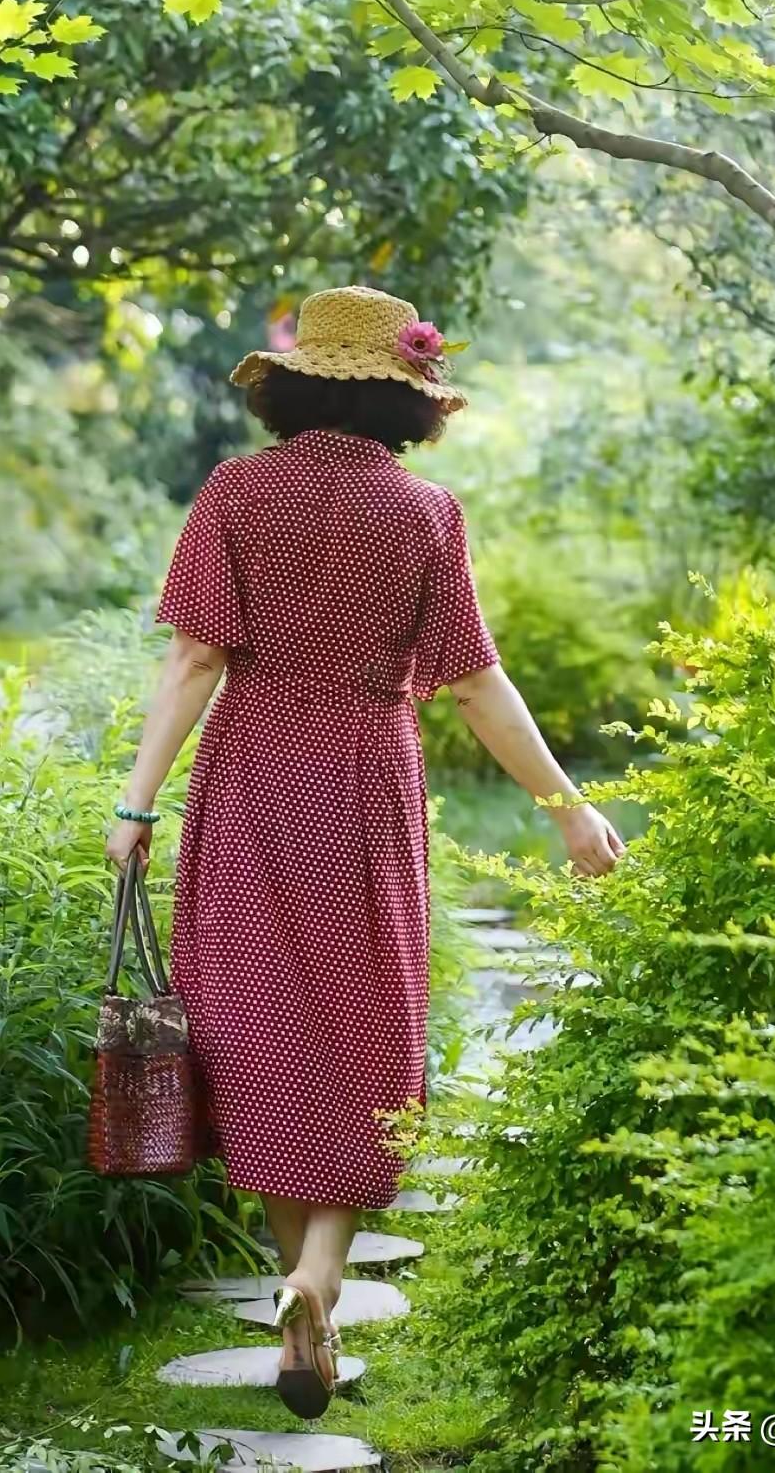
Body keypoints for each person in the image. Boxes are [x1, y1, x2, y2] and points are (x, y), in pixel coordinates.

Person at [105, 285, 625, 1420]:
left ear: (291, 384)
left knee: (252, 1031)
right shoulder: (427, 513)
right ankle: (320, 1279)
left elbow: (195, 661)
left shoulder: (237, 491)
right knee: (366, 1025)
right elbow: (479, 682)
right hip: (366, 780)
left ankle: (307, 1287)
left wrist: (137, 806)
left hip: (251, 775)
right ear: (408, 397)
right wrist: (568, 808)